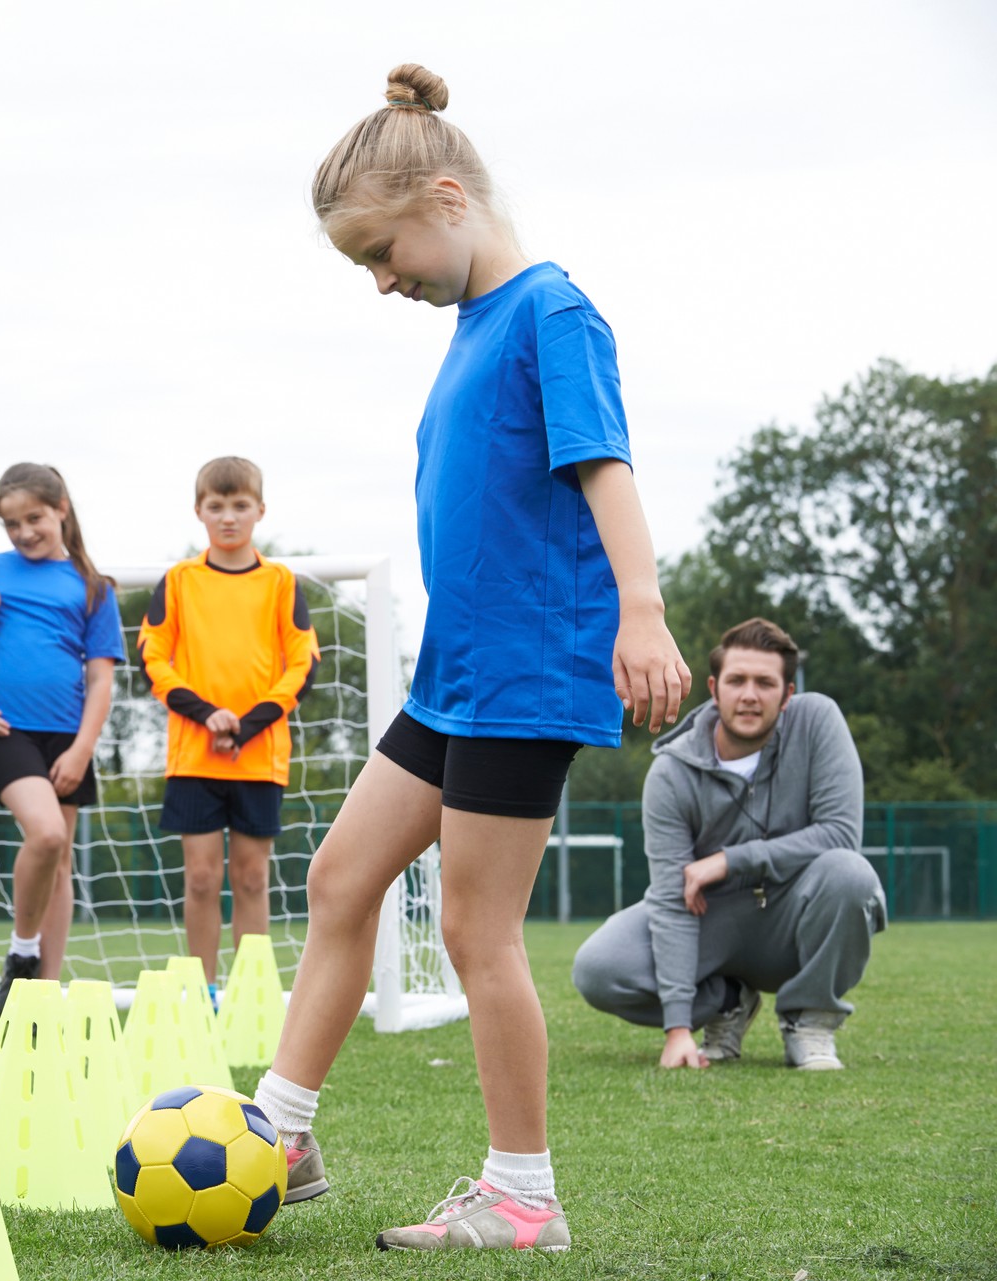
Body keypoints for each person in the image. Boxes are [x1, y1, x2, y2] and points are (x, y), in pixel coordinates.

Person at [248, 64, 691, 1253]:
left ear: (446, 197)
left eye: (383, 254)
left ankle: (521, 1196)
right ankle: (280, 1132)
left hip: (527, 672)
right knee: (341, 881)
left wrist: (641, 612)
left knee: (473, 935)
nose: (384, 281)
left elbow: (606, 467)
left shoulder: (552, 312)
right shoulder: (472, 325)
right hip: (456, 676)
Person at [573, 618, 882, 1071]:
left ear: (788, 694)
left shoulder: (818, 722)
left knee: (851, 875)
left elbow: (840, 834)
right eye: (737, 681)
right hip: (710, 920)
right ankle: (727, 1002)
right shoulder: (672, 773)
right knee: (598, 968)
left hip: (794, 916)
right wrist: (678, 1028)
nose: (750, 695)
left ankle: (809, 1022)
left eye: (765, 682)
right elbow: (671, 899)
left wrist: (729, 861)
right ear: (715, 689)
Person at [137, 456, 320, 996]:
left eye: (240, 505)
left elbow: (302, 663)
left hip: (259, 755)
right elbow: (153, 657)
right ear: (199, 511)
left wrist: (245, 725)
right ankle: (204, 993)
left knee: (251, 877)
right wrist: (206, 714)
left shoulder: (280, 581)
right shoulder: (179, 581)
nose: (229, 517)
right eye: (216, 506)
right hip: (194, 755)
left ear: (260, 510)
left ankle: (251, 993)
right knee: (200, 878)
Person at [0, 463, 124, 1014]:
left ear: (61, 509)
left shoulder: (92, 586)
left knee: (61, 864)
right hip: (2, 729)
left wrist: (82, 749)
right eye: (11, 523)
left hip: (67, 738)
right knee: (47, 835)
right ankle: (22, 953)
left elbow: (101, 676)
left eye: (34, 518)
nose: (24, 532)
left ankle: (40, 1000)